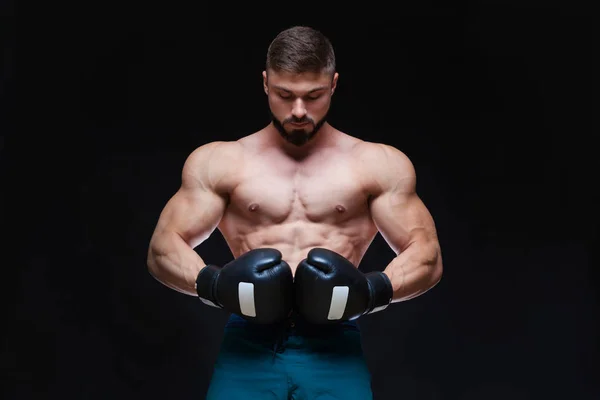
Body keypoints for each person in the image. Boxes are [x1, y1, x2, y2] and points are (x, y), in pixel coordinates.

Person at [147, 25, 443, 400]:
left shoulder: (376, 164)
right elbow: (162, 248)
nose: (299, 111)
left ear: (333, 85)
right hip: (247, 342)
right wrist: (215, 285)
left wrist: (371, 290)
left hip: (335, 343)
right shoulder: (221, 162)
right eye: (285, 95)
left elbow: (427, 256)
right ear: (266, 83)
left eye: (313, 96)